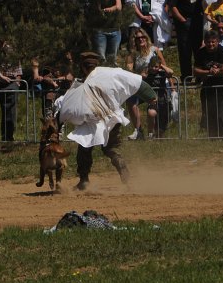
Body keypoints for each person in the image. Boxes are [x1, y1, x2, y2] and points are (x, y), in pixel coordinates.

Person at [57, 52, 158, 191]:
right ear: (96, 64)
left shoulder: (83, 83)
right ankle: (120, 165)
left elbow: (66, 107)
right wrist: (151, 96)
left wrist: (58, 124)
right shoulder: (110, 73)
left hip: (92, 124)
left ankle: (84, 181)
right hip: (111, 119)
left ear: (83, 67)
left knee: (84, 150)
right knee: (110, 148)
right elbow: (136, 81)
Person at [125, 28, 172, 140]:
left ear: (146, 38)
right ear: (134, 41)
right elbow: (128, 71)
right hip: (142, 86)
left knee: (157, 111)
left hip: (157, 85)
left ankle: (158, 133)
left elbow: (164, 66)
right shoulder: (133, 55)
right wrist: (139, 74)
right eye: (138, 38)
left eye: (143, 37)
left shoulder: (154, 50)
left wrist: (172, 87)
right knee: (131, 101)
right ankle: (138, 130)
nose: (141, 39)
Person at [165, 0, 203, 79]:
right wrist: (182, 20)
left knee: (198, 49)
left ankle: (199, 75)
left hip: (197, 20)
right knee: (185, 50)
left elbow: (202, 0)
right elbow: (172, 6)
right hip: (183, 21)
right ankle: (186, 76)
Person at [193, 30, 223, 139]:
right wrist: (209, 72)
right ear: (204, 41)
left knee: (222, 115)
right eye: (208, 42)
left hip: (222, 88)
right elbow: (195, 70)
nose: (210, 44)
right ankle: (212, 138)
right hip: (207, 88)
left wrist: (215, 72)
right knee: (209, 114)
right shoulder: (201, 53)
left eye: (213, 42)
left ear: (218, 41)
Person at [83, 0, 122, 66]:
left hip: (114, 29)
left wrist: (109, 9)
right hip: (100, 30)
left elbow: (118, 7)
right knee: (101, 58)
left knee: (112, 58)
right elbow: (96, 9)